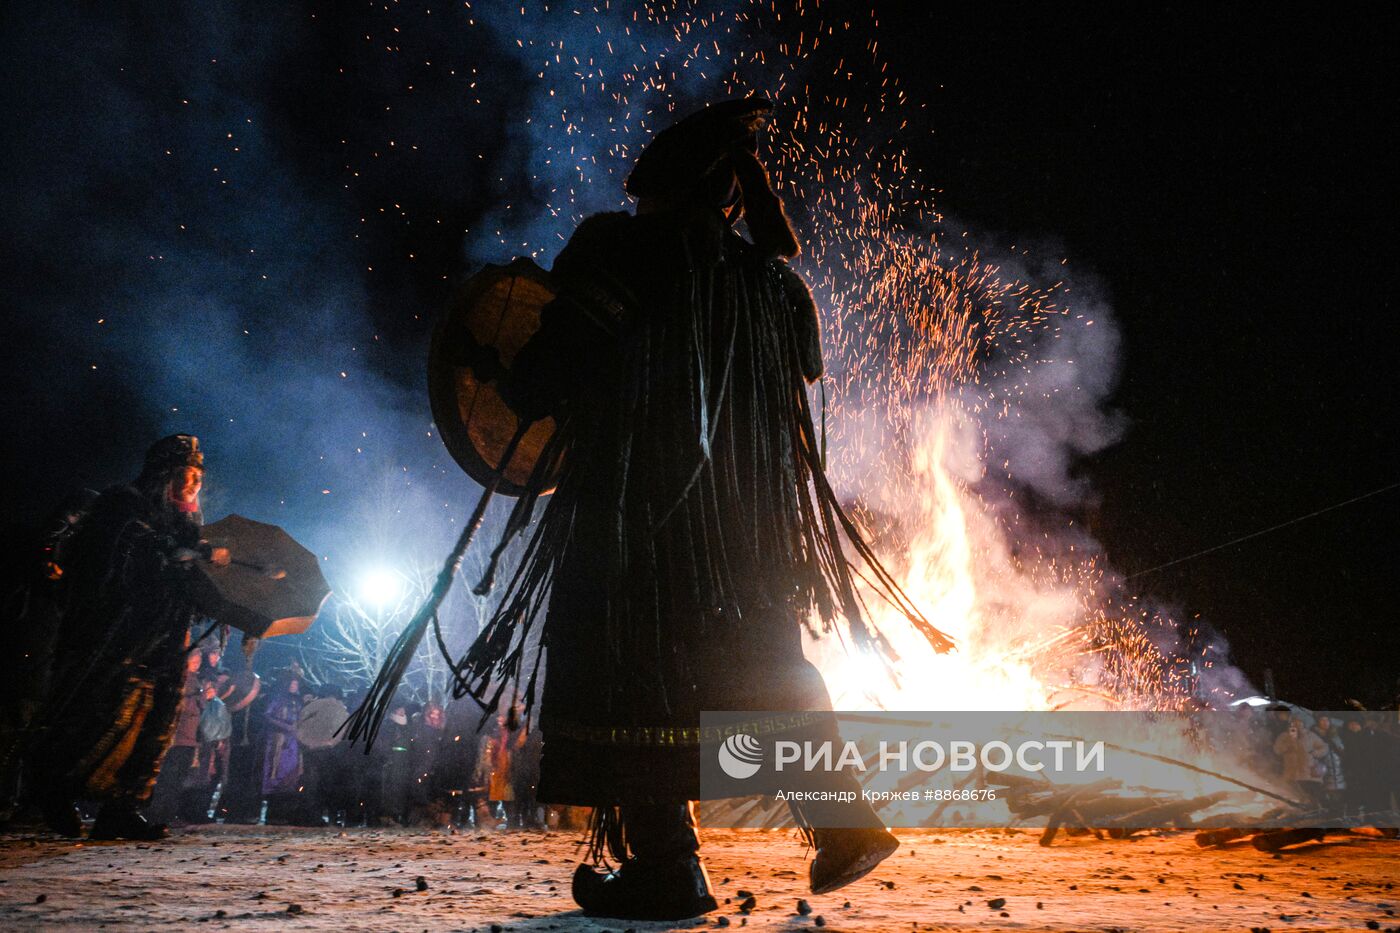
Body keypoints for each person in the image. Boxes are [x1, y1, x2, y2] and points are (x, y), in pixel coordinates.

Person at [452, 98, 951, 919]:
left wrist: (487, 364)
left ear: (655, 188)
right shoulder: (774, 284)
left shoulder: (618, 249)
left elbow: (546, 375)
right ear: (728, 198)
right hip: (752, 533)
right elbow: (802, 383)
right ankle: (842, 823)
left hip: (636, 521)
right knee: (762, 670)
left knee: (634, 680)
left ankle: (668, 867)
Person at [27, 434, 228, 840]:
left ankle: (122, 806)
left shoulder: (188, 526)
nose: (193, 484)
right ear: (163, 474)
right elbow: (128, 547)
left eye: (197, 477)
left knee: (158, 720)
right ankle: (52, 791)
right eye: (186, 474)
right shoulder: (123, 504)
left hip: (167, 638)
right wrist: (176, 552)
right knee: (98, 713)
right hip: (115, 635)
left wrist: (220, 585)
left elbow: (193, 584)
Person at [260, 672, 304, 821]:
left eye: (296, 684)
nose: (294, 686)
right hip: (278, 742)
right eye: (292, 683)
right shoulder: (277, 699)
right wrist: (285, 726)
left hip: (293, 743)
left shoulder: (297, 702)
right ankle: (273, 814)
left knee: (291, 774)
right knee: (276, 773)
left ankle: (286, 813)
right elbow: (267, 716)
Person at [1274, 715, 1327, 809]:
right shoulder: (1284, 736)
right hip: (1291, 772)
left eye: (1299, 722)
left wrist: (1315, 753)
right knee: (1297, 797)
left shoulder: (1310, 735)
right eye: (1294, 722)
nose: (1297, 724)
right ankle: (1303, 814)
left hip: (1308, 773)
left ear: (1303, 723)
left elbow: (1324, 747)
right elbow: (1277, 750)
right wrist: (1289, 743)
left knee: (1314, 796)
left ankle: (1318, 812)